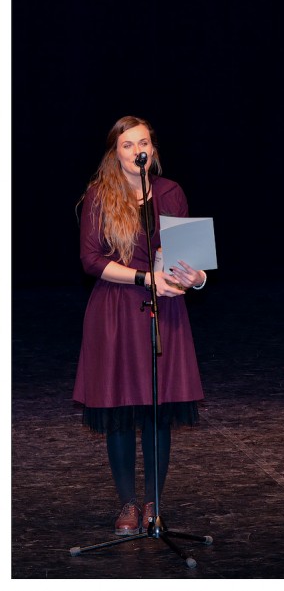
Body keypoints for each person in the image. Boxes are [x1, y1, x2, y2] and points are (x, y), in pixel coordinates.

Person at [74, 115, 207, 535]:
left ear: (153, 148)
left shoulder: (170, 192)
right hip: (115, 310)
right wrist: (142, 278)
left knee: (157, 410)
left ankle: (154, 504)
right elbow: (90, 260)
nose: (137, 151)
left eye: (143, 143)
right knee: (118, 409)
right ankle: (127, 504)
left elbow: (189, 258)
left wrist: (196, 277)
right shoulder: (99, 195)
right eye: (128, 145)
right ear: (115, 152)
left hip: (163, 310)